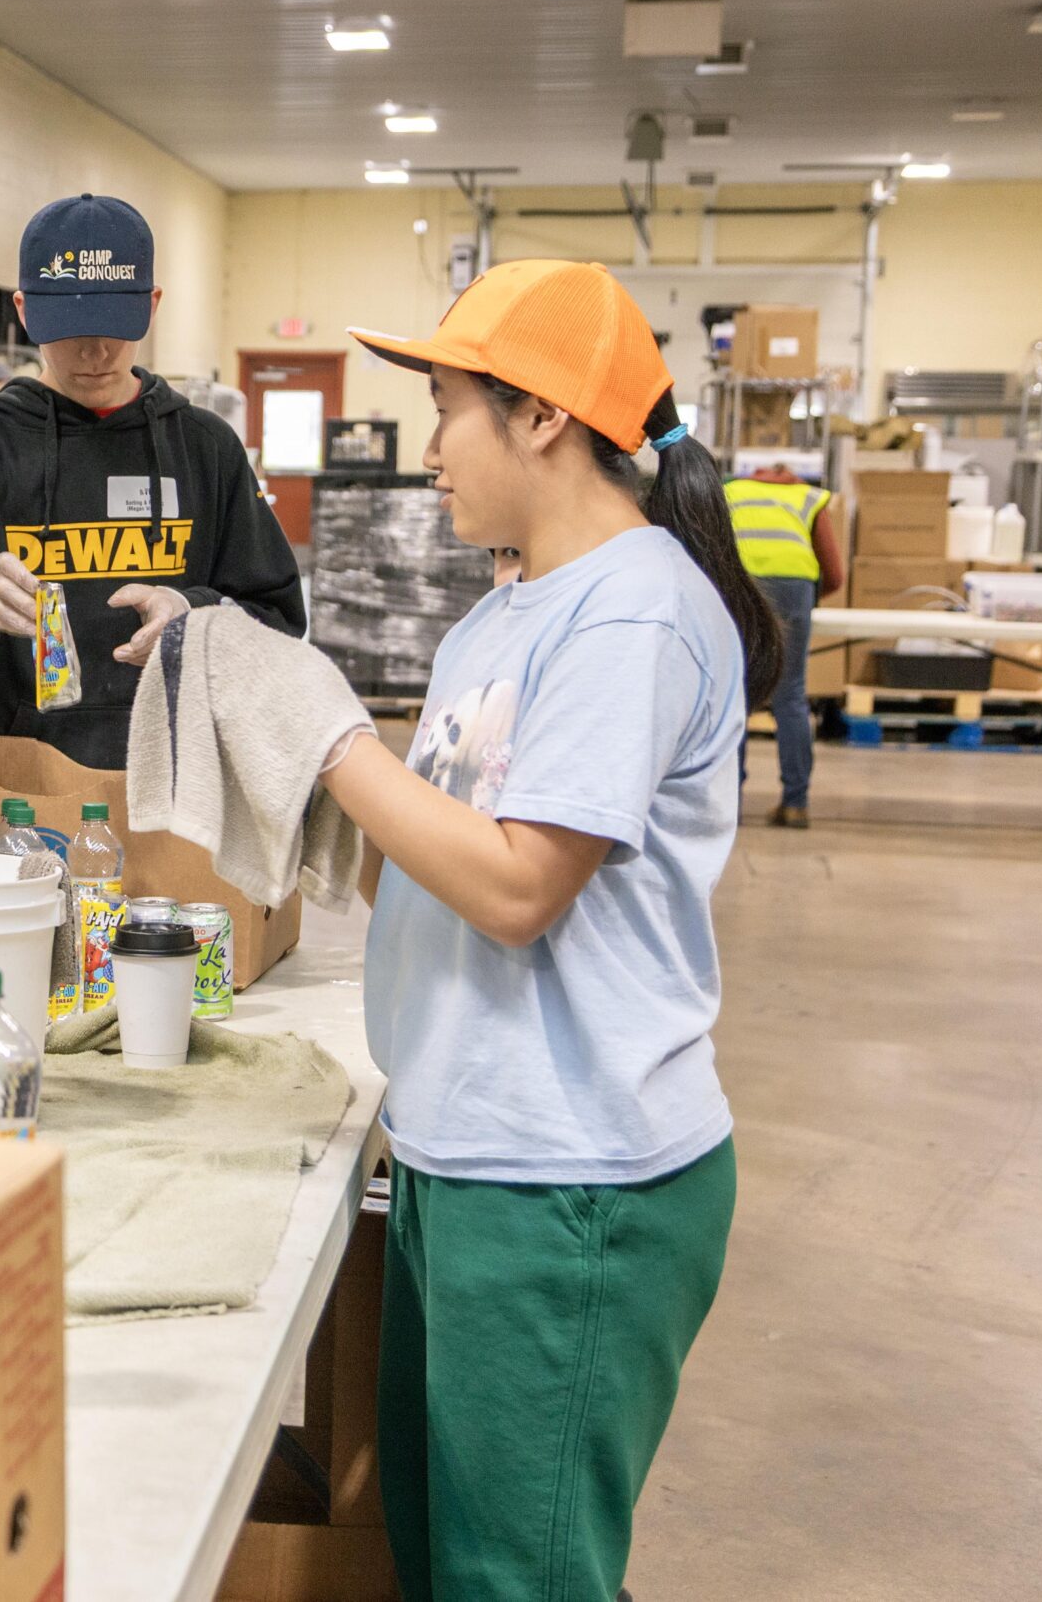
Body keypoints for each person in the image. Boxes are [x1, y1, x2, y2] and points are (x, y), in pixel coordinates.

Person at [254, 259, 778, 1602]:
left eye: (446, 407)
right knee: (441, 1558)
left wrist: (327, 738)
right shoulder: (500, 613)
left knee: (522, 1575)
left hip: (572, 1175)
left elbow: (516, 885)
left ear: (541, 415)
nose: (427, 449)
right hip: (468, 1146)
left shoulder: (635, 609)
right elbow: (434, 862)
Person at [0, 193, 303, 768]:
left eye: (115, 327)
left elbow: (276, 621)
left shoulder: (205, 449)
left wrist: (195, 616)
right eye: (70, 329)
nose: (95, 352)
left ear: (152, 304)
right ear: (24, 311)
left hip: (174, 783)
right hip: (13, 789)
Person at [725, 463, 842, 827]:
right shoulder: (809, 497)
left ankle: (730, 804)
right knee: (790, 695)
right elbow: (835, 574)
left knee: (738, 696)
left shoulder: (732, 491)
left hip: (744, 584)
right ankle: (795, 803)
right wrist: (806, 602)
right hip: (795, 588)